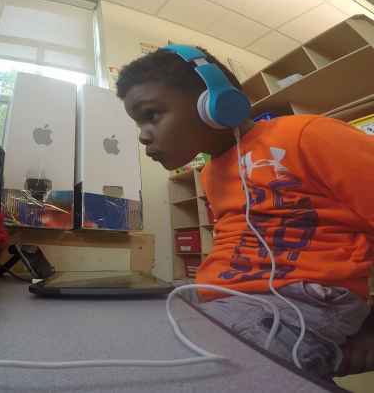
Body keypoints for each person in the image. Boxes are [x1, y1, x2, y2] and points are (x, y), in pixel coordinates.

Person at [115, 45, 374, 378]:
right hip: (227, 298)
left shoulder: (303, 135)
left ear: (216, 101)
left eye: (151, 115)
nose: (143, 136)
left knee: (173, 368)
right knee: (128, 329)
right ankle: (323, 356)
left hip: (300, 300)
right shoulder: (210, 173)